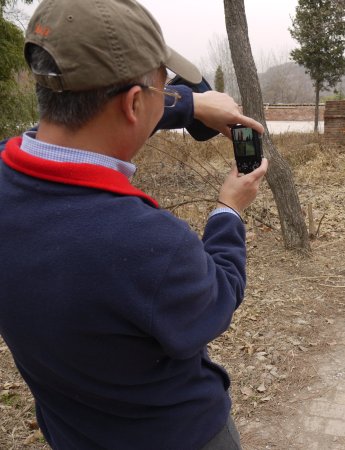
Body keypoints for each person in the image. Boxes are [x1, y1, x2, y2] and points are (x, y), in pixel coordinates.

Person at [0, 0, 268, 449]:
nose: (169, 99)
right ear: (133, 104)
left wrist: (189, 105)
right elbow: (216, 300)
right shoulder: (146, 242)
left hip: (74, 429)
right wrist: (229, 209)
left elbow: (68, 123)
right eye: (163, 91)